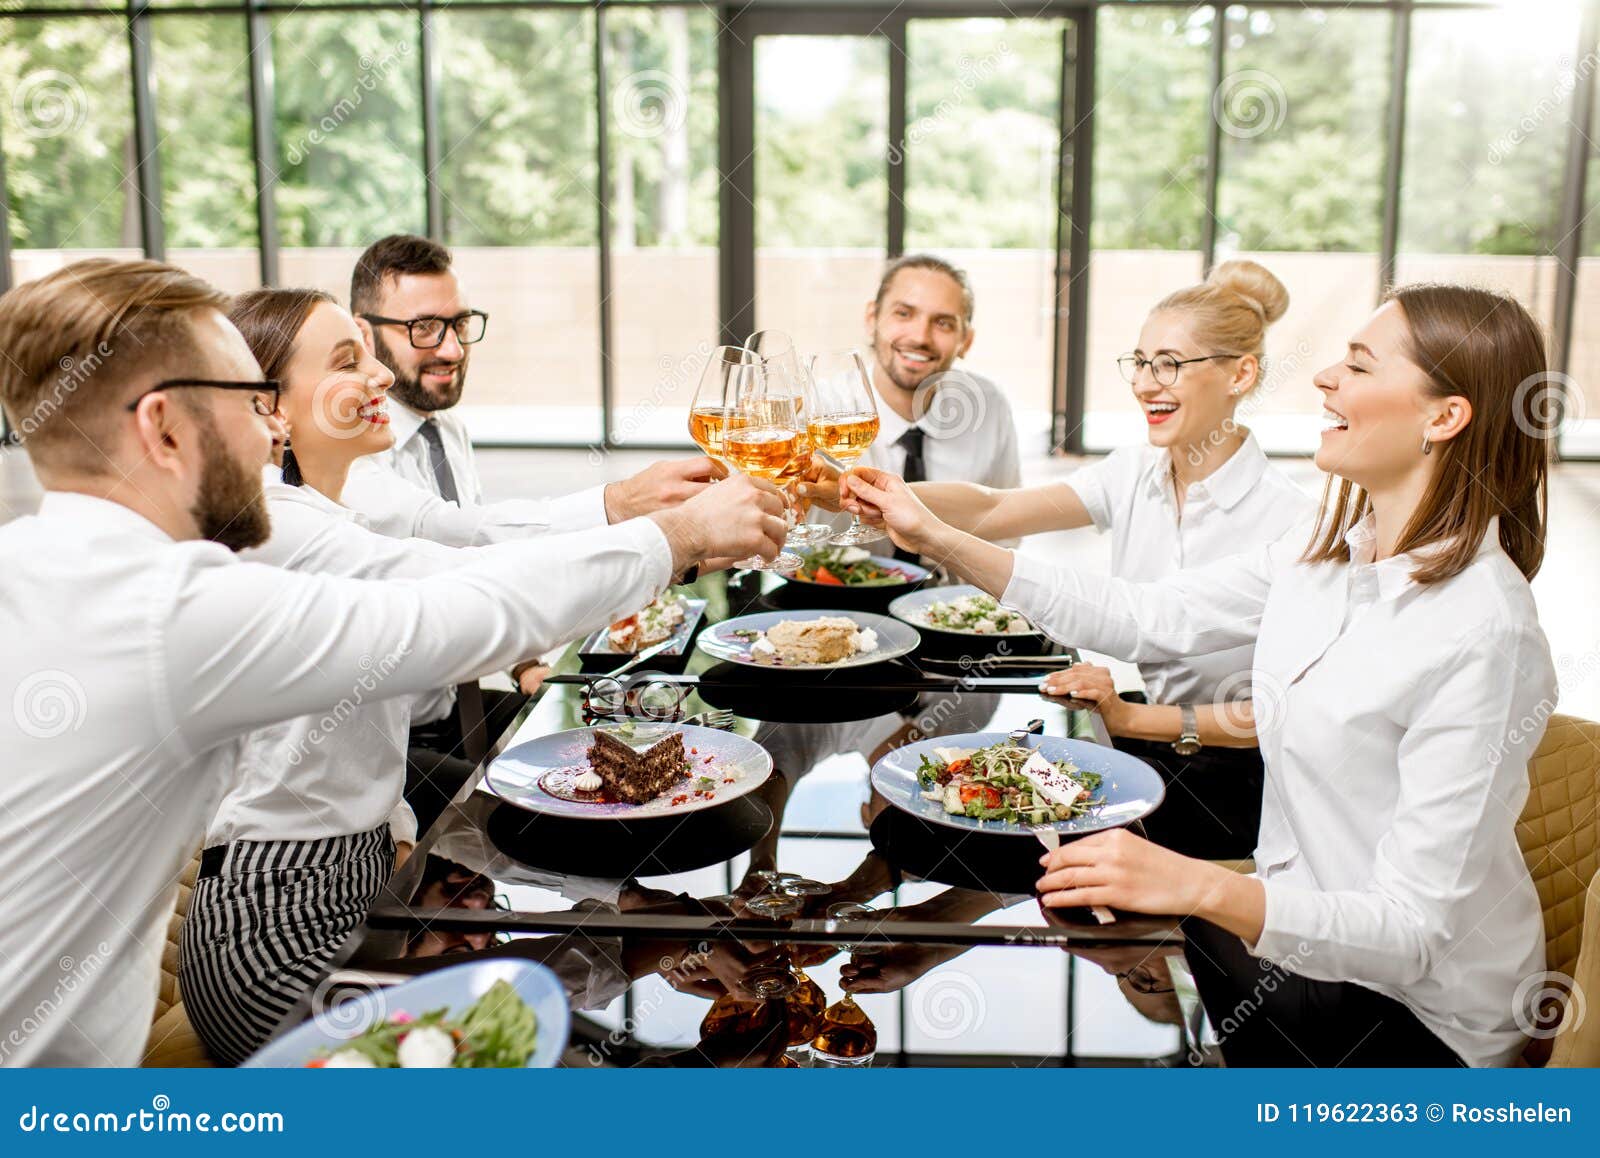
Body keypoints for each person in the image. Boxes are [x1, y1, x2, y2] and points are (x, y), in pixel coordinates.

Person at [0, 259, 785, 1066]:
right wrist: (682, 537)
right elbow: (450, 610)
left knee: (550, 1005)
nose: (266, 427)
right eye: (248, 399)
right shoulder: (168, 602)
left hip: (293, 923)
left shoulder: (46, 566)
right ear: (164, 427)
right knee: (547, 1042)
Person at [840, 283, 1556, 1067]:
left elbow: (1413, 932)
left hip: (1417, 1017)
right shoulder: (1327, 552)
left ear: (1443, 417)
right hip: (1290, 938)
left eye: (1357, 365)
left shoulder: (1483, 630)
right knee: (951, 841)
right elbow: (1147, 615)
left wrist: (1194, 893)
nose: (1324, 379)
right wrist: (934, 534)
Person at [905, 260, 1313, 858]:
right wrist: (861, 490)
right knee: (944, 813)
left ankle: (920, 951)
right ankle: (917, 947)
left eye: (1170, 364)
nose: (1146, 383)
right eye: (1141, 362)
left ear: (1241, 374)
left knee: (1011, 843)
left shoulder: (1293, 522)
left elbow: (1285, 714)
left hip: (1242, 779)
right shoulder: (1135, 472)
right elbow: (993, 509)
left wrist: (1129, 719)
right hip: (1145, 736)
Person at [344, 233, 722, 794]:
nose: (451, 349)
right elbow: (455, 538)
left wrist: (526, 665)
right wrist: (621, 506)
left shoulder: (445, 428)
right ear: (361, 331)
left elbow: (488, 561)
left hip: (453, 707)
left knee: (624, 749)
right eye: (424, 328)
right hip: (383, 745)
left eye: (459, 323)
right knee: (530, 803)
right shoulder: (350, 454)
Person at [802, 253, 1021, 561]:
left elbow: (1006, 530)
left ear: (966, 341)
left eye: (943, 323)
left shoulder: (990, 406)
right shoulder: (816, 410)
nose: (920, 337)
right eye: (904, 314)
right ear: (871, 319)